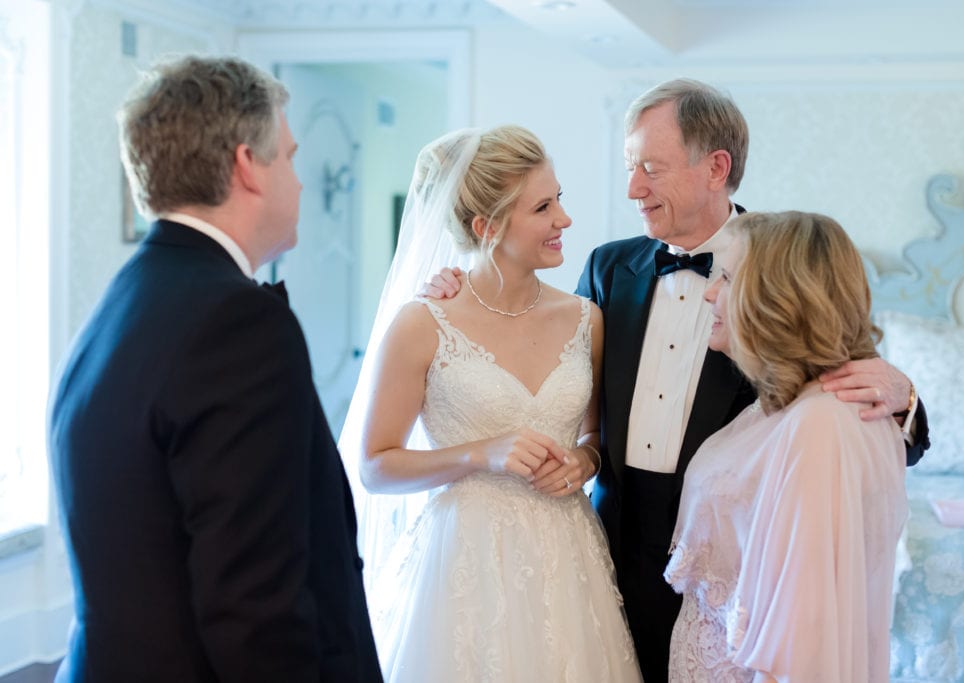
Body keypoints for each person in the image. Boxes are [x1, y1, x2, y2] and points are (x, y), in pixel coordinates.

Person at [425, 77, 929, 682]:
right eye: (629, 167)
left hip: (732, 571)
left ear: (716, 167)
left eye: (650, 169)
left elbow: (841, 395)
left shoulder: (777, 267)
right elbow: (552, 368)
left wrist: (908, 399)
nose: (632, 188)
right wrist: (459, 292)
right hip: (602, 551)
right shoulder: (609, 267)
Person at [48, 56, 382, 682]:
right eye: (288, 156)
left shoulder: (121, 302)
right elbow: (255, 605)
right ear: (245, 165)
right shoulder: (236, 324)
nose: (301, 182)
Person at [342, 125, 642, 682]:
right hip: (462, 565)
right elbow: (376, 465)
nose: (564, 221)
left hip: (567, 558)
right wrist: (483, 453)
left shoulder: (586, 320)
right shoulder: (423, 323)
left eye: (561, 200)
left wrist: (585, 461)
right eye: (544, 207)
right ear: (488, 226)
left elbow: (595, 437)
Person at [664, 210, 908, 682]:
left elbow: (808, 633)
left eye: (728, 278)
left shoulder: (820, 424)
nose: (710, 292)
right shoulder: (782, 408)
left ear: (778, 299)